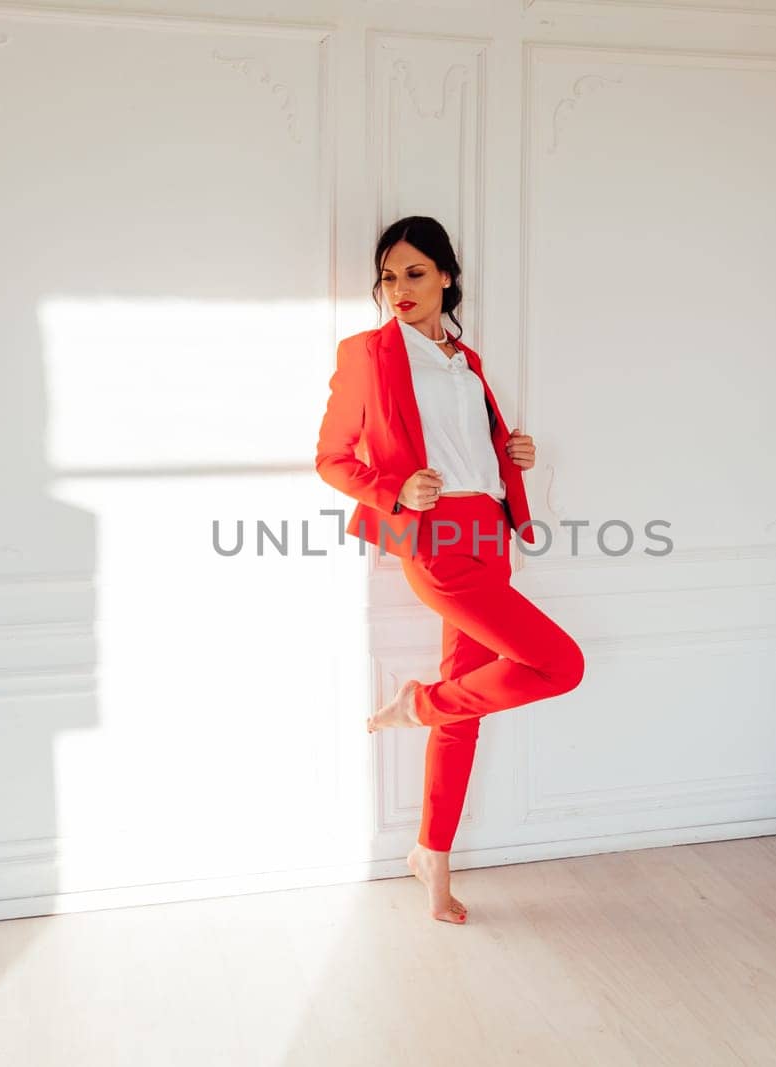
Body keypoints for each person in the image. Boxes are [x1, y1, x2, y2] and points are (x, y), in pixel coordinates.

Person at [314, 215, 586, 925]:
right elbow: (332, 457)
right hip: (437, 540)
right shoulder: (368, 355)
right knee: (561, 663)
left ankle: (432, 854)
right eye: (388, 276)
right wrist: (395, 490)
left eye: (414, 273)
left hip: (491, 532)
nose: (397, 289)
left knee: (470, 703)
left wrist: (510, 452)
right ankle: (418, 704)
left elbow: (470, 444)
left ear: (447, 278)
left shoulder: (468, 362)